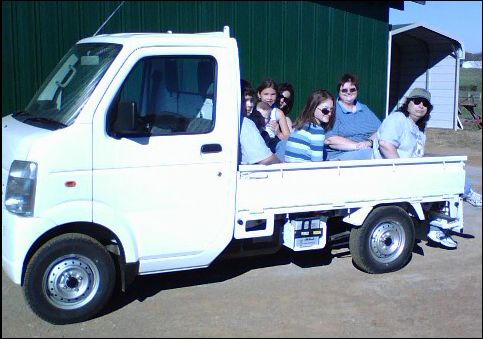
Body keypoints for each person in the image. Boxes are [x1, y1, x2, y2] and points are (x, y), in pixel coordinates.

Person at [373, 88, 482, 249]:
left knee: (445, 174)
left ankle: (438, 226)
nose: (420, 106)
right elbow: (385, 144)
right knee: (446, 179)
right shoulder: (398, 119)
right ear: (408, 104)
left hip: (409, 173)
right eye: (416, 101)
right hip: (393, 173)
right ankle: (465, 195)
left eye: (425, 104)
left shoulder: (418, 130)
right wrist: (401, 171)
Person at [324, 73, 381, 160]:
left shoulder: (364, 109)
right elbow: (330, 140)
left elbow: (381, 131)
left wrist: (369, 142)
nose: (348, 92)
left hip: (366, 150)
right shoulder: (333, 109)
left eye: (352, 89)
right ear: (339, 91)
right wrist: (357, 146)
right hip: (340, 155)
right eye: (344, 90)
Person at [284, 89, 335, 162]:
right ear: (313, 108)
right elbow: (317, 162)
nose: (329, 113)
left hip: (289, 169)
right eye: (325, 110)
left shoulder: (299, 125)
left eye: (331, 110)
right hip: (304, 171)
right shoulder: (317, 130)